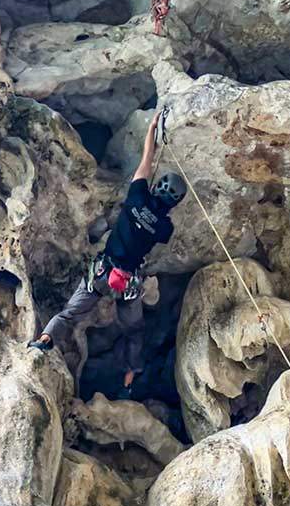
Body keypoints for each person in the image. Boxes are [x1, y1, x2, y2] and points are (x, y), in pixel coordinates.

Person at [28, 111, 186, 392]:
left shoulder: (137, 197)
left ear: (157, 187)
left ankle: (45, 340)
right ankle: (131, 374)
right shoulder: (165, 227)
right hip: (128, 283)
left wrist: (152, 128)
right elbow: (159, 224)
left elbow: (147, 160)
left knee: (69, 314)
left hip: (102, 273)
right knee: (134, 330)